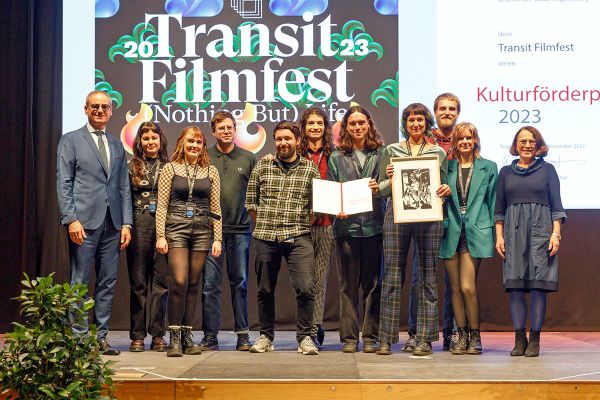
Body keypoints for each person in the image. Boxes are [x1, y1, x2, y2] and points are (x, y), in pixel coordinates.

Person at [56, 90, 132, 355]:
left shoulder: (116, 144)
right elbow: (64, 182)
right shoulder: (71, 140)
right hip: (84, 223)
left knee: (107, 282)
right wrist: (71, 218)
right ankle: (78, 340)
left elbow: (123, 186)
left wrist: (127, 224)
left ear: (111, 111)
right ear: (86, 109)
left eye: (105, 107)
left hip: (112, 224)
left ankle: (100, 337)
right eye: (95, 107)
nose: (100, 111)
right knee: (79, 282)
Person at [376, 103, 451, 356]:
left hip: (429, 218)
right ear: (405, 124)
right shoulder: (392, 150)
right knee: (392, 277)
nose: (416, 124)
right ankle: (385, 338)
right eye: (411, 120)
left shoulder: (438, 152)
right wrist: (389, 178)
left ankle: (425, 339)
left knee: (428, 278)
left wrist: (445, 190)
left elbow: (443, 186)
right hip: (396, 215)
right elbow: (382, 189)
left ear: (427, 123)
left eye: (420, 120)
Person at [245, 121, 320, 355]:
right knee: (265, 290)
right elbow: (251, 204)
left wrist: (298, 226)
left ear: (298, 140)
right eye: (278, 139)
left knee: (306, 289)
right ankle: (265, 337)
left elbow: (316, 208)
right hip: (265, 237)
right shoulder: (262, 167)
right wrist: (268, 225)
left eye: (287, 138)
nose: (283, 143)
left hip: (299, 236)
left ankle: (305, 338)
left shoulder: (310, 169)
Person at [495, 126, 565, 357]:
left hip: (541, 231)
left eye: (531, 141)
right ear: (515, 145)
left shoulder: (548, 170)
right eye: (522, 141)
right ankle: (519, 338)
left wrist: (555, 234)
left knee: (538, 286)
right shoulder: (505, 171)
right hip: (514, 233)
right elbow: (499, 209)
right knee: (515, 287)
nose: (526, 145)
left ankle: (534, 339)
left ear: (538, 145)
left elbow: (557, 206)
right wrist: (499, 236)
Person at [155, 126, 222, 357]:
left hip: (203, 231)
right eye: (190, 141)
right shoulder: (170, 168)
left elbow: (216, 208)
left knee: (194, 284)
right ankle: (173, 337)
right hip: (176, 229)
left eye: (199, 142)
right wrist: (161, 235)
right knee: (180, 281)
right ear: (182, 143)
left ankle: (187, 335)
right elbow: (162, 205)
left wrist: (218, 238)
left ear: (203, 145)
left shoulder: (211, 171)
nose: (195, 145)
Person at [404, 93, 460, 352]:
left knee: (452, 280)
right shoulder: (421, 142)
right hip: (423, 216)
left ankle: (451, 333)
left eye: (452, 108)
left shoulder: (464, 140)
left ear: (457, 112)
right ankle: (416, 333)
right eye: (442, 108)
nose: (447, 112)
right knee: (420, 278)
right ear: (434, 114)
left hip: (454, 217)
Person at [327, 105, 385, 353]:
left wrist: (380, 186)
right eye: (353, 124)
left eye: (362, 123)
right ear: (346, 128)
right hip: (346, 228)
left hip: (374, 226)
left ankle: (370, 336)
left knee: (373, 284)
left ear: (369, 124)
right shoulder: (337, 156)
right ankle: (350, 338)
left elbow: (389, 185)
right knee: (347, 286)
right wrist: (335, 207)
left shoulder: (382, 153)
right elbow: (331, 189)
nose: (358, 127)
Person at [439, 122, 498, 355]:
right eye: (460, 138)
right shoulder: (447, 167)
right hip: (451, 230)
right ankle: (460, 335)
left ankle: (475, 335)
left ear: (475, 141)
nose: (465, 142)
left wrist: (495, 234)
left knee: (467, 287)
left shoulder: (489, 167)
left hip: (476, 231)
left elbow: (493, 204)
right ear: (454, 142)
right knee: (454, 288)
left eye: (469, 138)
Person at [200, 111, 256, 351]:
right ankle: (210, 336)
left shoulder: (248, 158)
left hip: (240, 230)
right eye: (221, 128)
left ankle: (243, 334)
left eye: (229, 127)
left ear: (235, 130)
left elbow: (257, 194)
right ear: (213, 132)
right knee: (210, 285)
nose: (225, 131)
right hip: (211, 231)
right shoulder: (203, 157)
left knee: (240, 283)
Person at [126, 122, 169, 352]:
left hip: (165, 228)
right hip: (138, 225)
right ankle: (138, 334)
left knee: (161, 283)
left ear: (161, 140)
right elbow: (124, 198)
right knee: (139, 282)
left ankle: (158, 333)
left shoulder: (170, 167)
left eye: (154, 137)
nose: (150, 141)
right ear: (139, 142)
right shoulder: (131, 166)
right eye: (146, 138)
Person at [297, 106, 335, 347]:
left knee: (320, 279)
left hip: (327, 223)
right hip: (300, 224)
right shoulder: (295, 153)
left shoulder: (335, 154)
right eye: (310, 123)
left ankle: (314, 326)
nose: (315, 127)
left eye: (319, 123)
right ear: (304, 127)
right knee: (303, 281)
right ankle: (305, 324)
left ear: (325, 127)